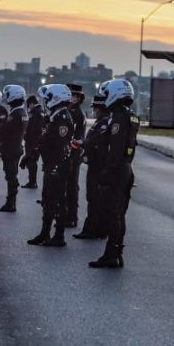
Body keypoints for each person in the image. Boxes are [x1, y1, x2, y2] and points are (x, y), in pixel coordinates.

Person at [89, 79, 140, 269]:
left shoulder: (118, 118)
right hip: (126, 169)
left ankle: (111, 255)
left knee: (113, 214)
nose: (105, 98)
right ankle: (116, 253)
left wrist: (106, 174)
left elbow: (115, 150)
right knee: (119, 214)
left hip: (116, 171)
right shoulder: (130, 116)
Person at [22, 84, 74, 247]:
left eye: (49, 98)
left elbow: (58, 144)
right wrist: (30, 155)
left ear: (56, 99)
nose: (46, 102)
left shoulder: (63, 118)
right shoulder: (55, 116)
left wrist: (55, 167)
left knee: (57, 200)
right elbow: (44, 139)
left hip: (58, 165)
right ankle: (45, 233)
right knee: (48, 199)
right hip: (51, 163)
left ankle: (59, 236)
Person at [73, 82, 110, 240]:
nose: (94, 110)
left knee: (94, 198)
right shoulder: (102, 123)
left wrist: (82, 144)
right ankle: (99, 228)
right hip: (98, 165)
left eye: (96, 108)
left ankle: (92, 229)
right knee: (97, 199)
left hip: (97, 166)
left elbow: (95, 144)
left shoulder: (102, 125)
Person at [0, 84, 28, 212]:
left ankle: (11, 203)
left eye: (8, 95)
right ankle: (11, 202)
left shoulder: (15, 114)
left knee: (11, 176)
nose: (6, 97)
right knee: (11, 175)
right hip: (16, 147)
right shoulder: (22, 112)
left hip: (11, 149)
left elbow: (3, 130)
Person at [64, 83, 87, 228]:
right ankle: (69, 215)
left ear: (79, 98)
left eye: (74, 96)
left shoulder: (75, 113)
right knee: (69, 186)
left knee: (70, 186)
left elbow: (72, 136)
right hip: (73, 152)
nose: (72, 98)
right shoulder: (71, 110)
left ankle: (71, 216)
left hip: (72, 152)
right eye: (70, 95)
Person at [21, 94, 44, 189]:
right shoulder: (41, 111)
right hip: (37, 141)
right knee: (32, 161)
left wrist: (26, 137)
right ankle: (32, 181)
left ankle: (32, 182)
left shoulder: (35, 112)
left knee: (31, 162)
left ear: (31, 104)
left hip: (33, 141)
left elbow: (33, 129)